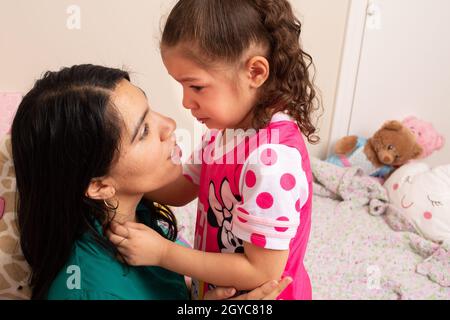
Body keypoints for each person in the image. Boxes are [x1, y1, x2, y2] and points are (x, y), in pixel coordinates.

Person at [11, 64, 290, 300]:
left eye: (151, 110)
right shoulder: (89, 289)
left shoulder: (136, 219)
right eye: (143, 131)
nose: (169, 124)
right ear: (97, 186)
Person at [108, 0, 320, 300]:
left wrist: (163, 253)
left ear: (255, 73)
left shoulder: (270, 161)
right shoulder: (225, 132)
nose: (185, 102)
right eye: (180, 86)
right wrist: (121, 176)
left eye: (196, 87)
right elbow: (183, 188)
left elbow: (262, 271)